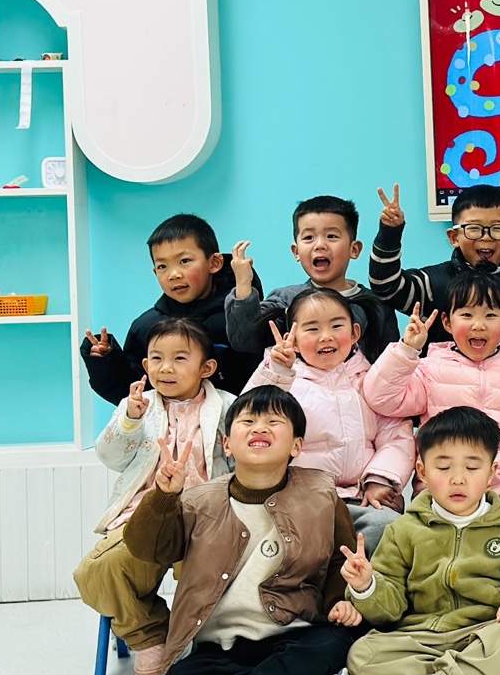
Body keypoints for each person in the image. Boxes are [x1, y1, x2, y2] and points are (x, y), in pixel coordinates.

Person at [123, 386, 364, 675]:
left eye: (274, 422)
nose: (259, 428)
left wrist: (339, 602)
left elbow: (338, 560)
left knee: (338, 640)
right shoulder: (198, 500)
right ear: (227, 444)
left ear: (297, 445)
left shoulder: (321, 493)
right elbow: (148, 549)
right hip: (221, 646)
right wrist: (164, 496)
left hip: (293, 634)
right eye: (248, 421)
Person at [343, 407, 500, 675]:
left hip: (485, 634)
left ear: (491, 472)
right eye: (443, 467)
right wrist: (366, 586)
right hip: (423, 639)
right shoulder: (403, 531)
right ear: (422, 471)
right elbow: (389, 609)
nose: (458, 479)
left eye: (472, 467)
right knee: (361, 658)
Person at [364, 271, 500, 568]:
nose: (478, 325)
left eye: (490, 315)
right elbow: (381, 397)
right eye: (467, 314)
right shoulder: (428, 370)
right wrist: (407, 349)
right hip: (439, 496)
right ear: (447, 322)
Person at [74, 319, 236, 675]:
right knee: (97, 570)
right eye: (157, 359)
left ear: (206, 367)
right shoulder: (136, 404)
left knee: (215, 570)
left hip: (208, 517)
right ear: (145, 366)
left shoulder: (228, 406)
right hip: (144, 516)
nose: (166, 368)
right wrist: (130, 421)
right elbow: (111, 458)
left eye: (180, 358)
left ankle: (204, 641)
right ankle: (150, 635)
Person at [243, 288, 414, 548]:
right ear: (294, 340)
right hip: (299, 498)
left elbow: (395, 435)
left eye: (336, 326)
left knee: (387, 528)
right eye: (312, 329)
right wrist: (277, 371)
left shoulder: (370, 381)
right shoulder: (285, 381)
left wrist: (380, 480)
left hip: (362, 497)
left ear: (355, 333)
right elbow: (250, 417)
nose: (326, 336)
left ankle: (359, 576)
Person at [81, 213, 261, 404]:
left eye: (184, 261)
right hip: (168, 423)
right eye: (162, 266)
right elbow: (131, 392)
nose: (173, 274)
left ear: (214, 263)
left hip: (238, 417)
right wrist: (105, 362)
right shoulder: (147, 326)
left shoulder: (242, 315)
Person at [367, 183, 500, 367]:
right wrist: (390, 233)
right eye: (474, 228)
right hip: (437, 385)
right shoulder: (433, 284)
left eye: (498, 228)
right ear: (454, 237)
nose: (486, 237)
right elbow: (385, 286)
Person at [225, 195, 398, 363]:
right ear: (296, 252)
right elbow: (245, 340)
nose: (320, 245)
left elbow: (391, 363)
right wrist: (243, 284)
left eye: (332, 236)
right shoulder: (285, 299)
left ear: (354, 249)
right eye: (309, 238)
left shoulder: (375, 304)